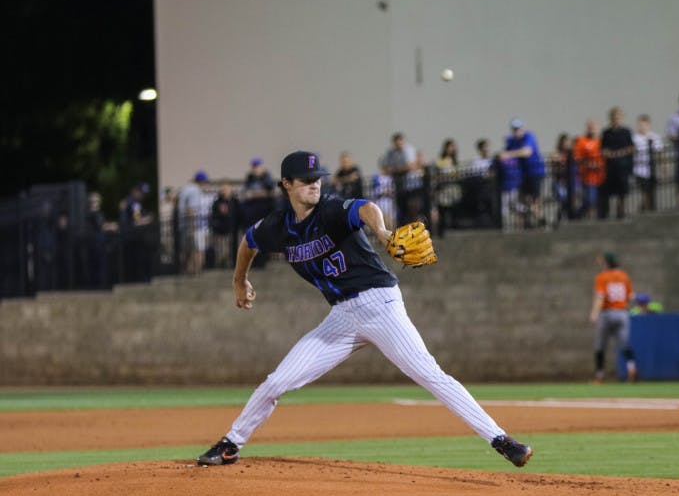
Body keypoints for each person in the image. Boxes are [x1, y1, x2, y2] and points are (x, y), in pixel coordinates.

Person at [197, 150, 533, 468]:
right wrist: (239, 280)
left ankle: (501, 440)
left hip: (379, 304)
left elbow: (365, 207)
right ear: (287, 184)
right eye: (305, 179)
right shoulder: (279, 226)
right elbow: (249, 241)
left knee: (429, 374)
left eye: (317, 178)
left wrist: (383, 231)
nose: (314, 183)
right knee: (276, 382)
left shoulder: (330, 209)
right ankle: (230, 444)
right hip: (341, 318)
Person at [589, 252, 637, 383]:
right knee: (624, 344)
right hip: (622, 313)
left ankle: (599, 375)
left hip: (607, 312)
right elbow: (631, 296)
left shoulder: (602, 277)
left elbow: (600, 296)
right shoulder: (624, 275)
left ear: (606, 263)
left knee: (600, 345)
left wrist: (594, 313)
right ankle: (631, 367)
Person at [499, 118, 546, 228]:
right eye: (514, 129)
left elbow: (527, 152)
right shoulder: (513, 141)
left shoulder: (529, 137)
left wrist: (509, 154)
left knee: (535, 199)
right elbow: (505, 152)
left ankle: (539, 219)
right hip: (522, 175)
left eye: (518, 129)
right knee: (523, 200)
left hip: (535, 172)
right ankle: (527, 222)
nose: (517, 131)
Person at [600, 107, 634, 220]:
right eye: (614, 117)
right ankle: (607, 211)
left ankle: (621, 210)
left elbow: (631, 147)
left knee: (622, 190)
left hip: (623, 166)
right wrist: (610, 154)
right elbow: (603, 149)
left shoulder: (626, 132)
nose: (616, 120)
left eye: (618, 117)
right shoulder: (606, 133)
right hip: (610, 166)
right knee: (608, 190)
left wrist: (621, 153)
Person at [176, 170, 212, 275]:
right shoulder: (195, 191)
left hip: (183, 225)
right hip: (193, 226)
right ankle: (196, 273)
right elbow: (191, 210)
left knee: (186, 251)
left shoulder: (185, 189)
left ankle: (184, 271)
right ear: (202, 182)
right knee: (199, 251)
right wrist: (193, 227)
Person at [242, 158, 275, 269]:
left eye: (257, 166)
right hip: (251, 214)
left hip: (263, 213)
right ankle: (254, 261)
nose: (255, 169)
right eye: (254, 166)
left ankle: (262, 261)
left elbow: (271, 192)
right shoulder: (249, 178)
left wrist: (254, 194)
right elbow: (245, 192)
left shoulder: (266, 178)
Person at [118, 182, 154, 282]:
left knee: (130, 262)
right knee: (138, 260)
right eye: (142, 193)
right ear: (136, 191)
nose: (143, 196)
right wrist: (148, 219)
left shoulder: (126, 201)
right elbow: (137, 220)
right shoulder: (135, 204)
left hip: (127, 236)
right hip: (134, 236)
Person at [381, 132, 418, 225]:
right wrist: (399, 169)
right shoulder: (390, 153)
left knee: (411, 207)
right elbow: (385, 168)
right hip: (397, 184)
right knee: (400, 208)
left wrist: (396, 169)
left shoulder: (408, 150)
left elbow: (411, 165)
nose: (399, 145)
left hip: (410, 184)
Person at [573, 119, 605, 220]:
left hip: (601, 176)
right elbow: (577, 157)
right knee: (591, 200)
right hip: (588, 176)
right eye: (590, 127)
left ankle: (597, 217)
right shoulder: (582, 141)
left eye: (594, 127)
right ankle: (579, 216)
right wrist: (588, 164)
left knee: (600, 200)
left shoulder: (601, 141)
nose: (592, 129)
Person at [632, 114, 664, 212]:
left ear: (649, 125)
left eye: (644, 125)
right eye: (640, 125)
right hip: (639, 170)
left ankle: (646, 209)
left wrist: (663, 167)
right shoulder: (634, 138)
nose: (642, 127)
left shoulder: (654, 137)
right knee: (644, 191)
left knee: (651, 191)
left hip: (652, 169)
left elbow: (660, 153)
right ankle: (645, 209)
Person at [210, 183, 241, 268]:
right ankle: (221, 264)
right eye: (223, 189)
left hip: (233, 229)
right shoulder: (217, 202)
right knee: (221, 250)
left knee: (233, 249)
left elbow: (239, 214)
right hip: (221, 230)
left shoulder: (235, 201)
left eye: (227, 189)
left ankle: (231, 263)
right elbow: (214, 215)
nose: (225, 191)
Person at [433, 138, 462, 233]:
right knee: (443, 210)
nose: (452, 149)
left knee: (454, 210)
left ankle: (454, 227)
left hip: (454, 189)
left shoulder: (456, 162)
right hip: (443, 190)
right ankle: (443, 229)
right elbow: (437, 175)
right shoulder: (440, 161)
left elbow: (459, 174)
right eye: (450, 147)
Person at [550, 133, 576, 225]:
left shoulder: (573, 154)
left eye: (568, 143)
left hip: (571, 181)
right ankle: (560, 219)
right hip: (560, 182)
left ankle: (571, 218)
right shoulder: (557, 154)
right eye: (564, 143)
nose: (566, 145)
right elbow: (553, 162)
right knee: (563, 199)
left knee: (572, 201)